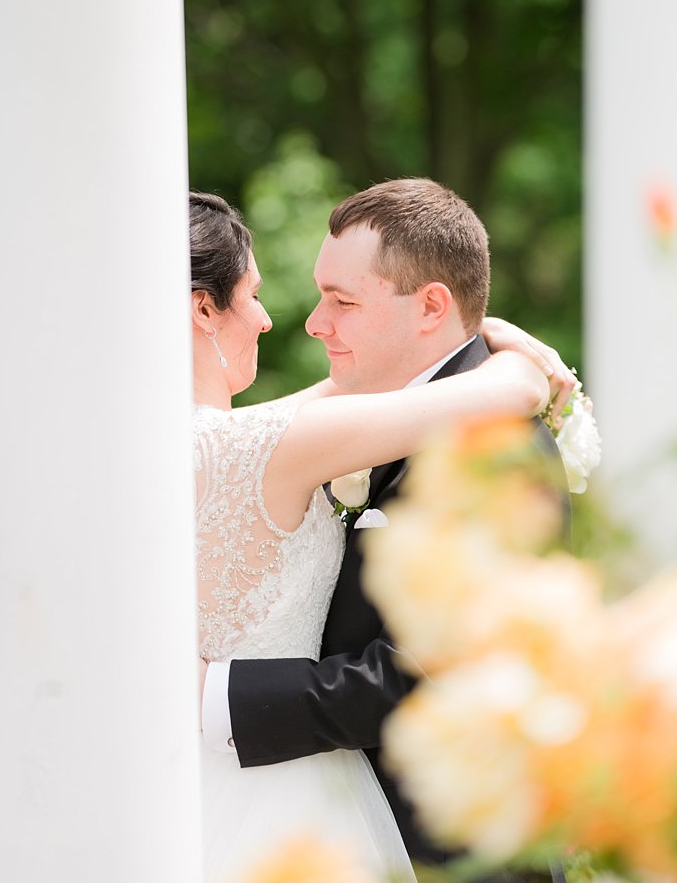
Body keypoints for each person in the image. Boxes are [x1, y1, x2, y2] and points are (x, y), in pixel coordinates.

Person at [187, 186, 572, 880]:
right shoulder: (273, 439)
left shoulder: (493, 449)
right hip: (315, 823)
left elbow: (431, 672)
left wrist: (214, 693)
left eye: (343, 300)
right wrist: (517, 363)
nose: (305, 322)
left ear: (429, 306)